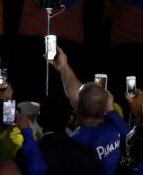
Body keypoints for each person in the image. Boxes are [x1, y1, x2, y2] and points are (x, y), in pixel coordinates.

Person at [49, 45, 131, 175]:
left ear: (76, 106)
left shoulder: (76, 142)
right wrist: (63, 68)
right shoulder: (116, 127)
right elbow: (82, 95)